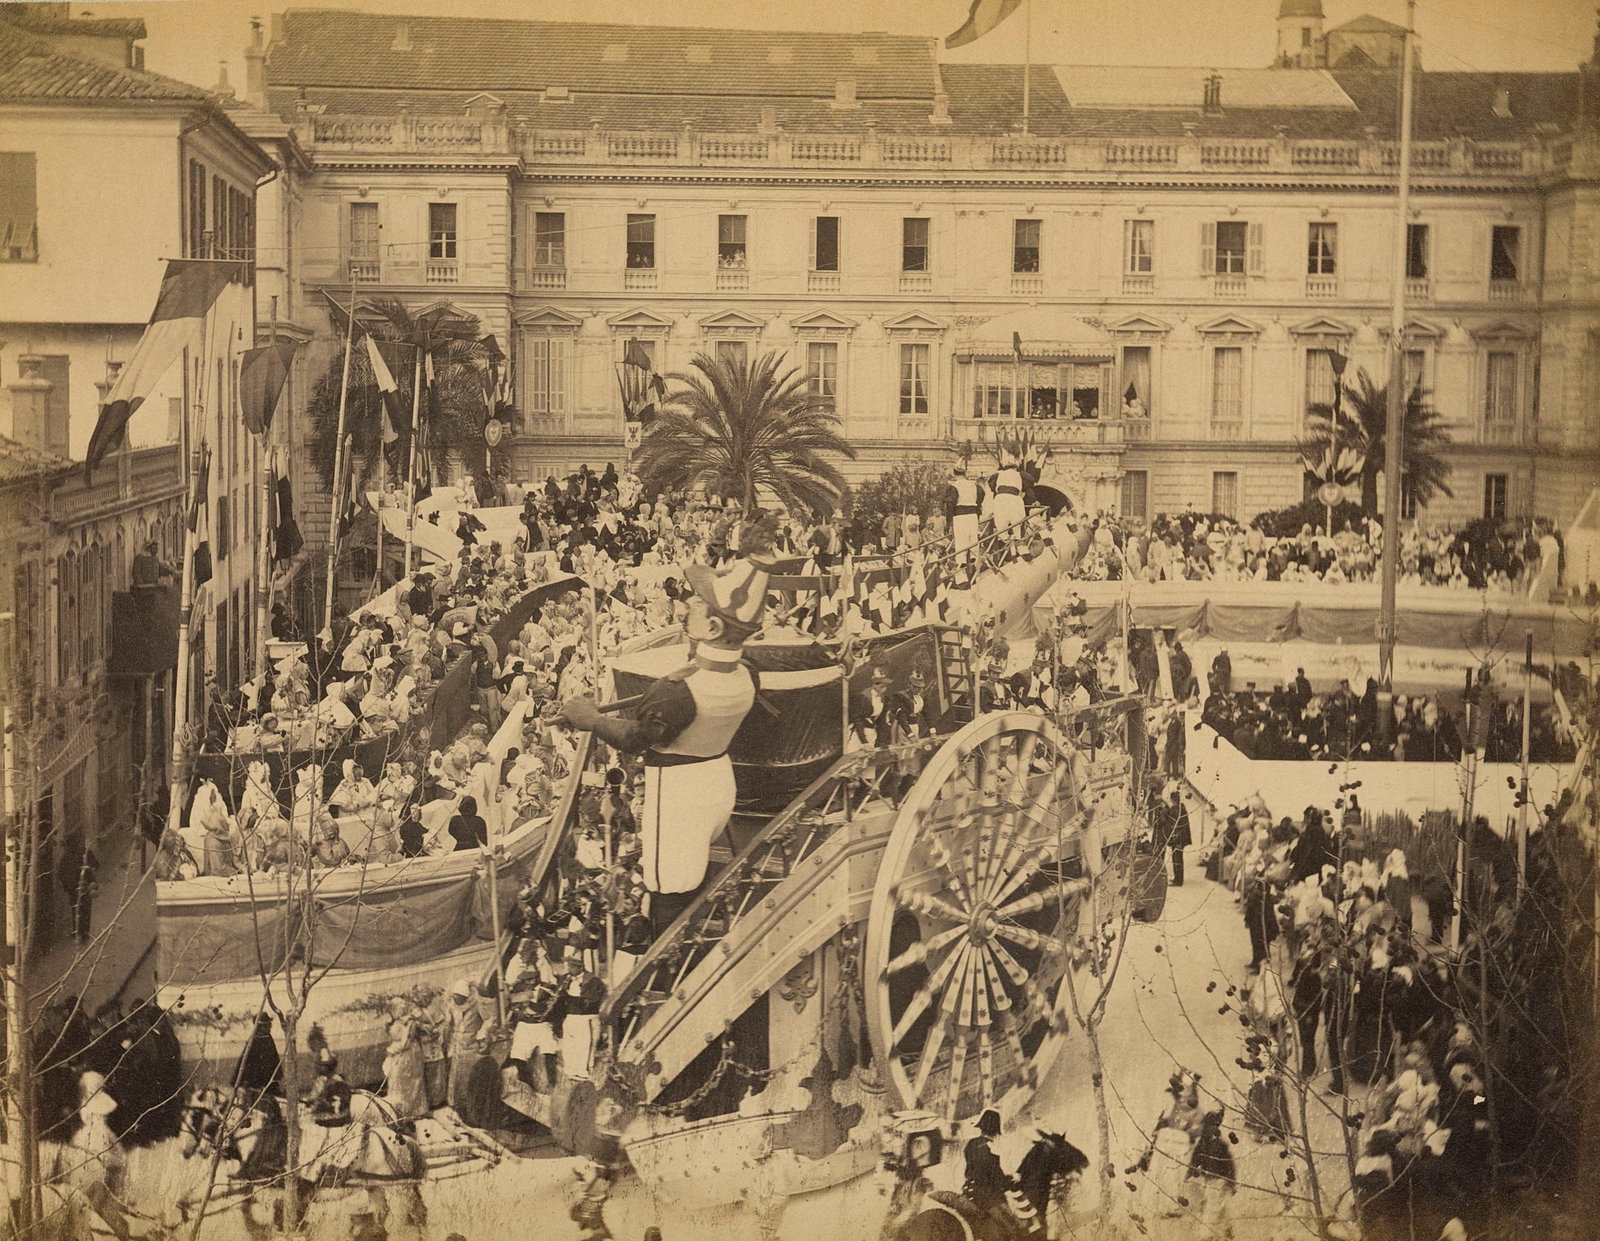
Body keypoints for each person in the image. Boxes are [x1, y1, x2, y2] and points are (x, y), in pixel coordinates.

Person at [559, 537, 772, 937]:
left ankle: (668, 959)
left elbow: (635, 738)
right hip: (719, 783)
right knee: (691, 874)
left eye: (699, 602)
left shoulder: (676, 692)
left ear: (713, 627)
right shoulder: (748, 674)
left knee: (668, 891)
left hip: (678, 796)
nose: (688, 602)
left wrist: (589, 719)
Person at [962, 1109, 1015, 1228]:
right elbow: (995, 1176)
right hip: (987, 1197)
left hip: (968, 1191)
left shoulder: (971, 1144)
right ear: (995, 1130)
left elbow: (972, 1170)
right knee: (1011, 1225)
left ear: (981, 1127)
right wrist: (1010, 1181)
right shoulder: (990, 1147)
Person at [946, 459, 984, 559]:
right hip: (973, 516)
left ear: (954, 473)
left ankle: (961, 563)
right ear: (964, 473)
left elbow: (951, 504)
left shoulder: (953, 486)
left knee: (961, 542)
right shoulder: (974, 485)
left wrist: (949, 522)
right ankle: (974, 560)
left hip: (960, 516)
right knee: (973, 540)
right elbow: (980, 498)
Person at [1157, 789, 1192, 887]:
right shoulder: (1180, 809)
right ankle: (1177, 878)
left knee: (1177, 859)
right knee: (1177, 858)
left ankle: (1178, 880)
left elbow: (1171, 822)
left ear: (1173, 799)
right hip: (1179, 839)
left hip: (1178, 839)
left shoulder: (1176, 810)